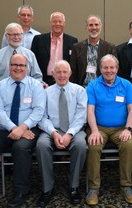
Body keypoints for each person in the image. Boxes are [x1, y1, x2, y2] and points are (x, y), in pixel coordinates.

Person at [0, 54, 46, 208]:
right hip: (5, 129)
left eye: (22, 65)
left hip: (29, 128)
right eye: (15, 64)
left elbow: (38, 111)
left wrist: (22, 128)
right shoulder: (0, 86)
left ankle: (21, 191)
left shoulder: (35, 85)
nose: (18, 68)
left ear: (27, 67)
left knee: (20, 148)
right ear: (9, 66)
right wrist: (14, 128)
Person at [85, 54, 132, 206]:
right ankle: (94, 188)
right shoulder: (93, 85)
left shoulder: (126, 85)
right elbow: (90, 110)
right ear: (100, 69)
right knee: (94, 146)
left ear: (117, 68)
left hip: (121, 128)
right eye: (105, 67)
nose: (109, 70)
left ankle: (126, 186)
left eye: (112, 67)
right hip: (99, 128)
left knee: (128, 145)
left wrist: (128, 129)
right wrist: (94, 130)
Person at [36, 60, 87, 206]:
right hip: (51, 129)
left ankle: (74, 187)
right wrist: (53, 133)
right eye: (58, 72)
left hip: (74, 129)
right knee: (41, 145)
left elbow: (81, 116)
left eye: (65, 72)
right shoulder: (45, 93)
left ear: (70, 73)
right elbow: (42, 117)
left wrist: (69, 134)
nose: (62, 75)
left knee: (81, 145)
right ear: (53, 74)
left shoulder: (79, 91)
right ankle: (47, 188)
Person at [0, 22, 42, 97]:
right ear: (7, 36)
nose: (16, 37)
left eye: (19, 34)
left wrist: (32, 93)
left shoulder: (30, 55)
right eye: (13, 34)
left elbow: (37, 77)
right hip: (4, 97)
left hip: (26, 97)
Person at [31, 12, 78, 86]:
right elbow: (32, 61)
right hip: (43, 81)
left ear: (64, 23)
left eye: (60, 21)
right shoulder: (39, 39)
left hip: (64, 81)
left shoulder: (72, 41)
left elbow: (74, 65)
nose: (57, 24)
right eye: (54, 21)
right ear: (50, 23)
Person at [70, 14, 117, 86]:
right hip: (82, 88)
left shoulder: (110, 48)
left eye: (96, 25)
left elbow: (114, 71)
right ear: (86, 28)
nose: (94, 27)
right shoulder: (77, 48)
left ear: (100, 27)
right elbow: (73, 72)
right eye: (91, 25)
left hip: (103, 87)